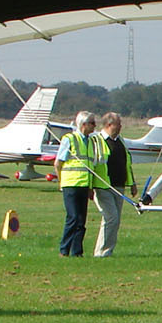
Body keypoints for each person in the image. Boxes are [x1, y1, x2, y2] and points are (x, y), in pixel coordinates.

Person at [55, 110, 104, 257]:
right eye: (92, 123)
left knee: (81, 221)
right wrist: (61, 182)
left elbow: (89, 166)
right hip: (70, 185)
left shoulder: (90, 141)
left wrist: (90, 187)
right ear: (83, 124)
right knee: (73, 217)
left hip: (84, 186)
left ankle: (77, 252)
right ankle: (64, 249)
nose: (95, 126)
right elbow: (58, 163)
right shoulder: (69, 139)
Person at [93, 112, 137, 257]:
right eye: (118, 124)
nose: (121, 127)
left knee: (116, 220)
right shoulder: (97, 140)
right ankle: (101, 252)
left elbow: (127, 163)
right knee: (111, 217)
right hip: (103, 186)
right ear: (109, 125)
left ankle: (108, 250)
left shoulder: (120, 141)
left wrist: (132, 183)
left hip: (119, 186)